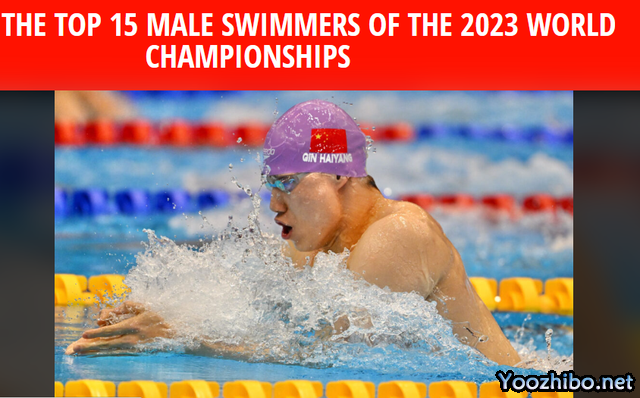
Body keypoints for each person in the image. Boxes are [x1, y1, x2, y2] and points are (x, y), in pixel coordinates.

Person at [66, 99, 521, 366]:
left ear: (338, 175)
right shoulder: (321, 246)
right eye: (272, 186)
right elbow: (249, 305)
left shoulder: (400, 233)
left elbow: (326, 355)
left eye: (288, 184)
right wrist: (163, 313)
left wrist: (183, 335)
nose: (274, 204)